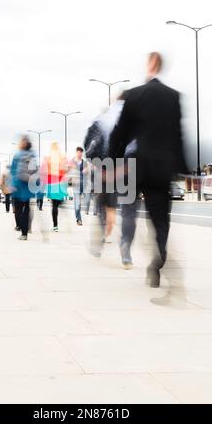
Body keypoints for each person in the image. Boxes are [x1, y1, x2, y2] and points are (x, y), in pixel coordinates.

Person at [109, 52, 188, 286]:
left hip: (138, 166)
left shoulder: (134, 95)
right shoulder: (173, 97)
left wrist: (113, 163)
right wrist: (183, 169)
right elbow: (178, 136)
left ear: (150, 65)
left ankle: (129, 247)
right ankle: (159, 257)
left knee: (130, 211)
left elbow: (119, 133)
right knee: (161, 219)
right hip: (162, 168)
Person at [84, 97, 125, 254]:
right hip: (106, 172)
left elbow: (88, 148)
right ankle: (99, 239)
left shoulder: (102, 125)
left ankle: (100, 238)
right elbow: (89, 148)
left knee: (108, 211)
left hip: (111, 173)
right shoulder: (101, 125)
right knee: (106, 209)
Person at [11, 135, 37, 240]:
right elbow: (34, 170)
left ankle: (22, 230)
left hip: (18, 185)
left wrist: (12, 185)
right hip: (28, 185)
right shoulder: (32, 155)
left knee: (18, 210)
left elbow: (13, 171)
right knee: (27, 208)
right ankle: (25, 232)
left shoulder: (17, 155)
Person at [41, 142, 68, 232]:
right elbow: (65, 169)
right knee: (57, 203)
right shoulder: (62, 158)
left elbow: (43, 171)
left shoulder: (48, 158)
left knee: (54, 205)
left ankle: (55, 226)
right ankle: (61, 203)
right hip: (60, 184)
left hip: (52, 184)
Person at [69, 147, 91, 226]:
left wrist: (87, 170)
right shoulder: (72, 162)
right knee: (77, 204)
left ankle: (86, 210)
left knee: (88, 200)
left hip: (84, 184)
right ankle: (79, 219)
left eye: (81, 152)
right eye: (78, 152)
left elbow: (87, 172)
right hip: (76, 185)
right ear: (76, 152)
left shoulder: (84, 162)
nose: (80, 154)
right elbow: (70, 172)